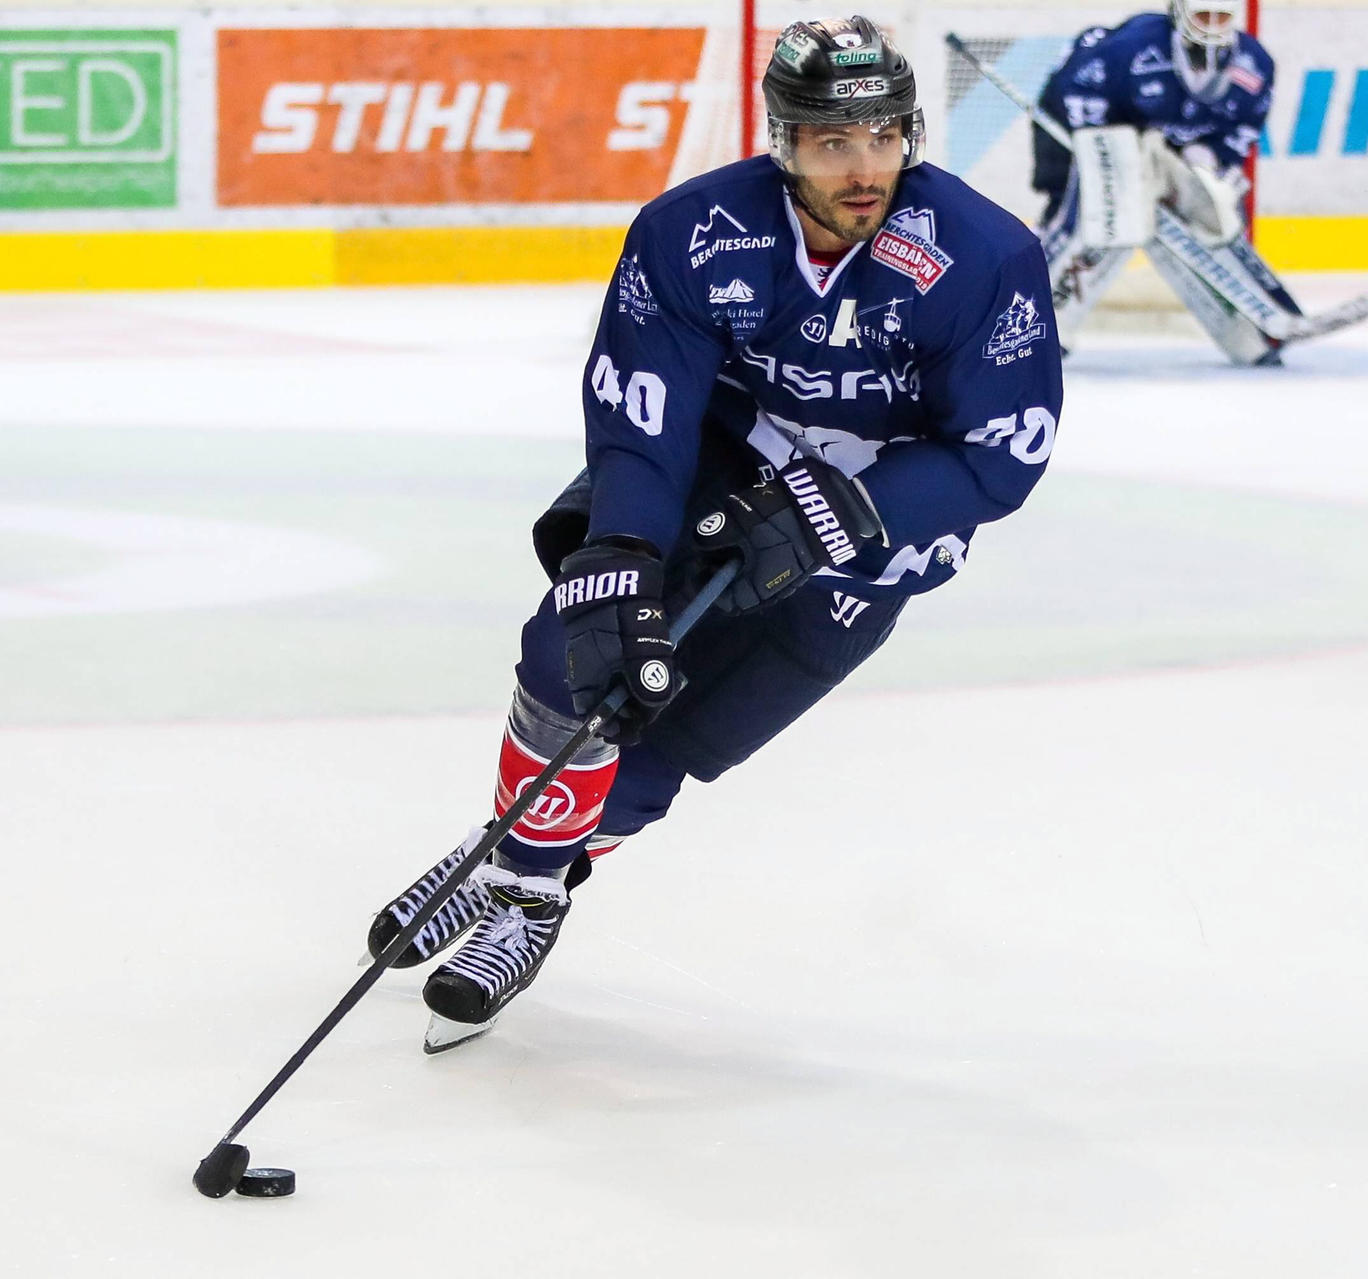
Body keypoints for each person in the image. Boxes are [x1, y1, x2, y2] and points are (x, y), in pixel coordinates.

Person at [364, 15, 1064, 1046]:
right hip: (726, 462)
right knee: (582, 648)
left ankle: (515, 857)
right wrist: (622, 555)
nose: (864, 168)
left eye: (884, 136)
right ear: (784, 141)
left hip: (880, 530)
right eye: (833, 140)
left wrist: (834, 514)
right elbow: (646, 416)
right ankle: (526, 890)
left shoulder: (984, 255)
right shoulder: (693, 232)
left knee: (676, 745)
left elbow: (1000, 453)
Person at [1029, 2, 1305, 360]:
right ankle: (1042, 322)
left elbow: (1243, 128)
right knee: (1106, 215)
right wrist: (1111, 153)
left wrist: (1212, 158)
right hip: (1083, 133)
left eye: (1221, 17)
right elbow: (1074, 89)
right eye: (1203, 16)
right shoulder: (1133, 49)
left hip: (1165, 147)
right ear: (1181, 13)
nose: (1212, 26)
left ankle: (1247, 333)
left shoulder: (1254, 64)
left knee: (1208, 222)